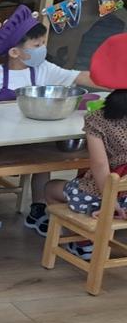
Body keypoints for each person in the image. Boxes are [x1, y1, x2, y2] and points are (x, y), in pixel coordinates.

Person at [0, 5, 103, 232]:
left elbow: (79, 77)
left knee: (43, 157)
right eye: (37, 45)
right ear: (14, 52)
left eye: (43, 43)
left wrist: (116, 80)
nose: (43, 49)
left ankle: (37, 208)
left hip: (32, 139)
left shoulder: (43, 69)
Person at [45, 34, 127, 261]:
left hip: (106, 197)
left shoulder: (97, 119)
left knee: (51, 188)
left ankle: (82, 243)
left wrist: (110, 203)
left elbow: (100, 165)